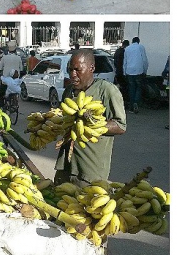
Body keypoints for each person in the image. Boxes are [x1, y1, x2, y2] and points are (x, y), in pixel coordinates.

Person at [54, 50, 127, 185]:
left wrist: (91, 124)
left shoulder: (107, 90)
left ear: (91, 68)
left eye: (78, 70)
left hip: (90, 171)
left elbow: (120, 126)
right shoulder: (69, 91)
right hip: (65, 166)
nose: (72, 74)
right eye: (70, 70)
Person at [123, 36, 149, 114]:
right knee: (139, 87)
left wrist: (124, 72)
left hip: (129, 71)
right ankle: (136, 102)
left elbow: (125, 61)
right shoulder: (141, 47)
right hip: (138, 71)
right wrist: (145, 70)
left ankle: (131, 108)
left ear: (132, 41)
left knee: (131, 88)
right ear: (138, 41)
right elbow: (144, 60)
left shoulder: (127, 49)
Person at [0, 40, 23, 107]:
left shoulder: (4, 57)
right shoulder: (18, 58)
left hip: (6, 81)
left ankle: (1, 107)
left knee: (0, 94)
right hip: (15, 81)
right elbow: (21, 69)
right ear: (15, 50)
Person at [114, 39, 129, 105]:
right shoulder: (124, 52)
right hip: (122, 72)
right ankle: (124, 101)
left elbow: (114, 61)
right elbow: (125, 62)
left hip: (117, 71)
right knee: (124, 87)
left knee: (119, 86)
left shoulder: (117, 51)